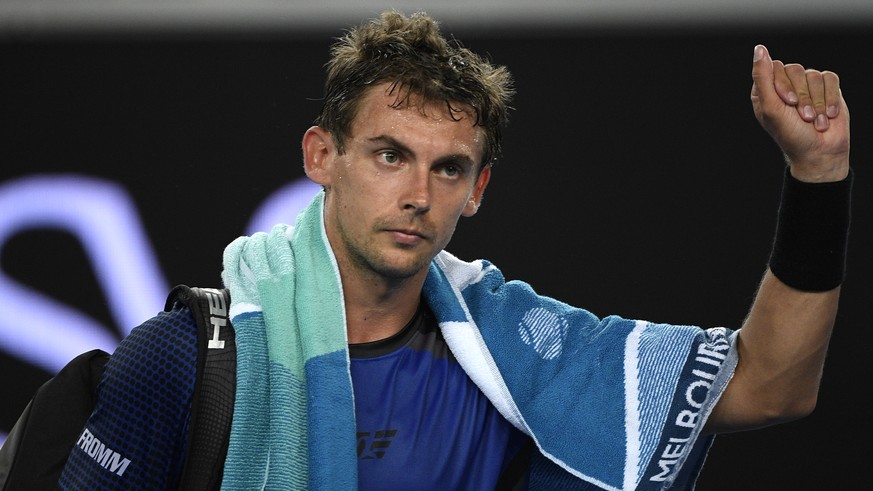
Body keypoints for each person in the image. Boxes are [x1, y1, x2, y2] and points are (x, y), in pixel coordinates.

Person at [6, 9, 854, 490]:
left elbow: (771, 385)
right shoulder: (181, 364)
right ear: (319, 156)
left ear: (476, 190)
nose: (418, 193)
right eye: (388, 154)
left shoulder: (515, 359)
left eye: (449, 167)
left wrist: (818, 176)